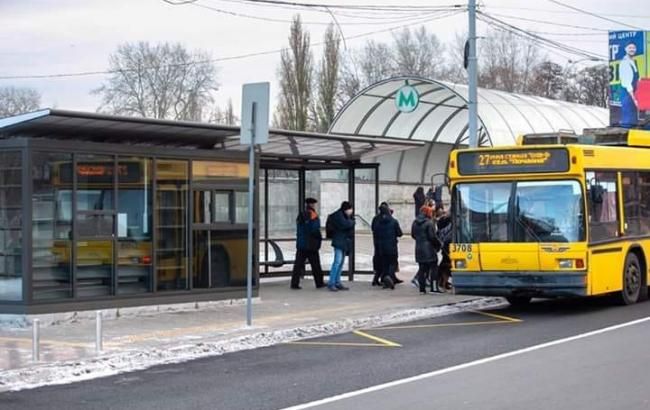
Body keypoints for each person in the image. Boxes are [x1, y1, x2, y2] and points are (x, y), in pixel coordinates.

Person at [291, 198, 325, 290]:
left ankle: (294, 283)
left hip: (301, 244)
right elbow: (314, 229)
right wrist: (319, 237)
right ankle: (319, 283)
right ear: (312, 205)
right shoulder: (313, 215)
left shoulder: (300, 215)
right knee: (316, 265)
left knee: (298, 265)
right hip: (311, 245)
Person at [371, 202, 403, 290]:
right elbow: (400, 233)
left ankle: (385, 280)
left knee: (384, 264)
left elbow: (374, 231)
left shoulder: (378, 222)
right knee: (392, 263)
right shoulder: (393, 221)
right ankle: (389, 277)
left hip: (381, 247)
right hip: (391, 246)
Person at [411, 206, 441, 294]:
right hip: (429, 249)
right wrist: (439, 244)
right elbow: (432, 237)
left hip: (419, 248)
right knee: (434, 269)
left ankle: (422, 289)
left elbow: (413, 235)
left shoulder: (414, 222)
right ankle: (434, 288)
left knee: (422, 269)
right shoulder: (429, 223)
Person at [328, 201, 355, 292]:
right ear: (346, 209)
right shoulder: (339, 216)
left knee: (340, 263)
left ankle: (337, 282)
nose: (351, 211)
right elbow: (345, 224)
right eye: (350, 209)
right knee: (337, 262)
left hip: (343, 242)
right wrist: (352, 222)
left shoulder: (344, 215)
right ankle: (332, 283)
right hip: (339, 242)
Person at [619, 41, 640, 127]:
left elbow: (636, 79)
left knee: (634, 121)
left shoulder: (633, 61)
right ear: (625, 49)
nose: (632, 49)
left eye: (633, 48)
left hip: (633, 95)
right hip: (628, 96)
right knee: (628, 121)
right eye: (630, 48)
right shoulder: (624, 63)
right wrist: (634, 98)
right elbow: (627, 83)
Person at [436, 207, 453, 291]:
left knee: (445, 264)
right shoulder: (447, 221)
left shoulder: (442, 220)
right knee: (446, 265)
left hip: (445, 245)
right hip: (447, 245)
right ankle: (443, 282)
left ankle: (443, 282)